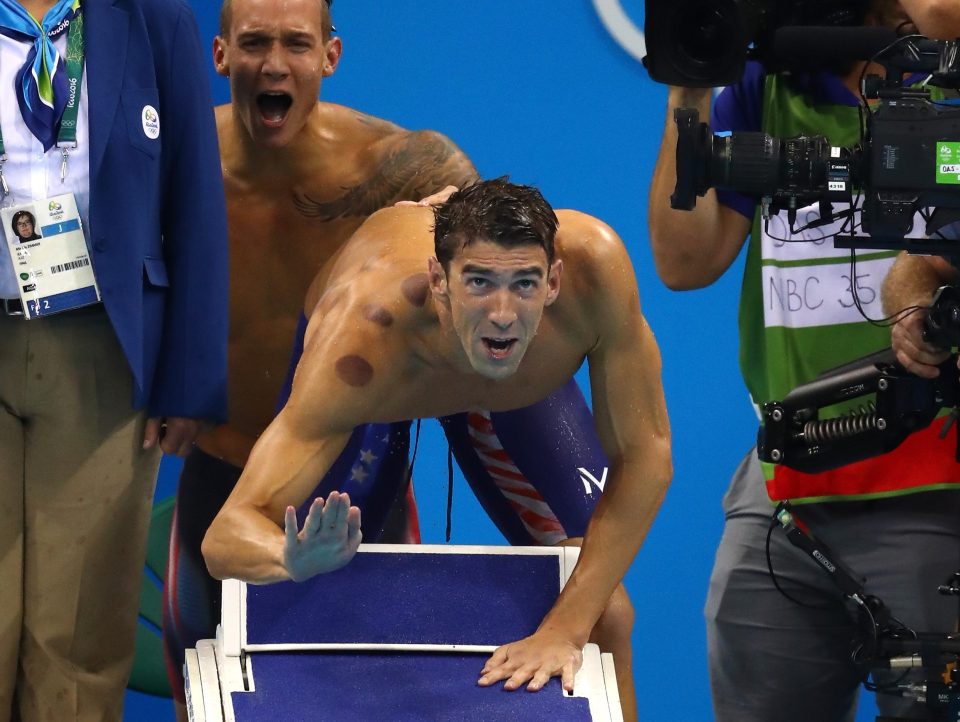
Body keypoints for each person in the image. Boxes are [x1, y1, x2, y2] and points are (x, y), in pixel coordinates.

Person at [201, 178, 672, 720]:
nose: (502, 313)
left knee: (604, 611)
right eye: (478, 283)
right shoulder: (360, 350)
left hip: (516, 386)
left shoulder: (595, 273)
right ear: (438, 279)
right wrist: (286, 556)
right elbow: (225, 537)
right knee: (312, 600)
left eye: (524, 284)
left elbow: (647, 456)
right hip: (389, 386)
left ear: (554, 283)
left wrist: (565, 627)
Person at [160, 0, 477, 713]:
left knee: (378, 698)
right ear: (220, 56)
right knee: (204, 698)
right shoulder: (175, 162)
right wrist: (165, 380)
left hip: (358, 475)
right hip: (226, 469)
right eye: (256, 43)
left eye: (296, 44)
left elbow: (485, 297)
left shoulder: (396, 168)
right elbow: (126, 280)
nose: (275, 64)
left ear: (330, 57)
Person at [648, 1, 960, 721]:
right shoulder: (772, 80)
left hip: (933, 477)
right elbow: (683, 260)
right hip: (786, 482)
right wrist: (690, 90)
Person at [0, 0, 228, 716]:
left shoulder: (153, 19)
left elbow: (195, 196)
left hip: (105, 349)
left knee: (77, 627)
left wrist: (190, 379)